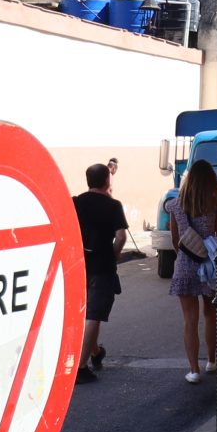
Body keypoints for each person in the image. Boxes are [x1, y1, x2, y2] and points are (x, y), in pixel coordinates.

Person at [167, 157, 217, 384]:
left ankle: (193, 370)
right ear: (211, 180)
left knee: (189, 320)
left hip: (185, 263)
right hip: (211, 266)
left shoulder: (175, 205)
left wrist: (184, 255)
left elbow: (175, 238)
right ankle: (212, 361)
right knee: (211, 315)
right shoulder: (216, 205)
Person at [71, 162, 128, 383]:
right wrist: (113, 255)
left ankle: (95, 352)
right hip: (102, 266)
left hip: (78, 265)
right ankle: (81, 368)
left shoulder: (75, 203)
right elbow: (121, 237)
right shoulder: (113, 205)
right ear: (107, 180)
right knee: (93, 315)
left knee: (82, 313)